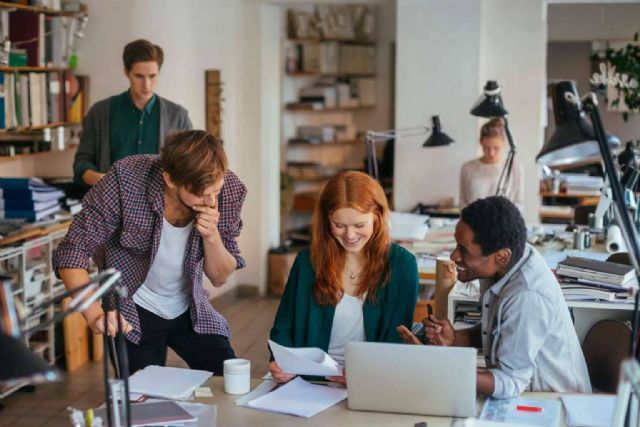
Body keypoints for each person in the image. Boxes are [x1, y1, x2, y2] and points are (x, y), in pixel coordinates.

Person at [54, 130, 246, 375]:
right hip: (134, 306)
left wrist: (212, 236)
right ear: (170, 179)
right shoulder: (126, 179)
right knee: (143, 401)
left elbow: (220, 277)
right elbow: (72, 251)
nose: (210, 202)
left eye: (215, 192)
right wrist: (94, 314)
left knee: (229, 377)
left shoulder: (229, 189)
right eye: (201, 194)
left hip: (191, 305)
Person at [397, 196, 591, 399]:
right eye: (457, 245)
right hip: (526, 391)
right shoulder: (509, 260)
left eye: (464, 250)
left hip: (554, 403)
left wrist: (436, 365)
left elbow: (510, 382)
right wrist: (456, 338)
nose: (454, 256)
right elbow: (502, 332)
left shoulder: (526, 297)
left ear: (502, 256)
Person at [269, 171, 419, 384]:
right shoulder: (307, 262)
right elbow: (283, 328)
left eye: (359, 225)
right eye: (339, 225)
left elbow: (396, 343)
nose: (349, 236)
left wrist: (363, 374)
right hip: (309, 382)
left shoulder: (402, 265)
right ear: (326, 219)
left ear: (377, 216)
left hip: (371, 382)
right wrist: (280, 362)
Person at [73, 39, 192, 187]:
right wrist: (97, 178)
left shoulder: (178, 116)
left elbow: (190, 166)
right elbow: (82, 161)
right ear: (126, 72)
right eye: (139, 76)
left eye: (152, 76)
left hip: (162, 206)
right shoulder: (99, 112)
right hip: (112, 205)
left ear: (159, 73)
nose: (147, 85)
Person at [459, 118, 524, 211]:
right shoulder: (467, 168)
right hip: (474, 223)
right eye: (486, 148)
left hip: (504, 223)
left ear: (504, 143)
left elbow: (519, 203)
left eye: (496, 148)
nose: (491, 153)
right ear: (480, 142)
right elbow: (463, 203)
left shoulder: (514, 167)